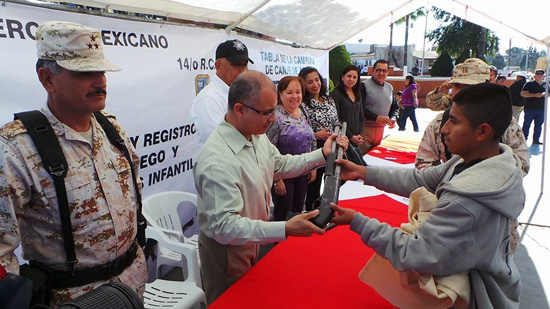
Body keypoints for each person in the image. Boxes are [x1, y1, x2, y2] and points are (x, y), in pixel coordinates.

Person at [331, 82, 524, 308]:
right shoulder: (485, 163)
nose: (443, 130)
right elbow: (420, 180)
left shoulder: (465, 201)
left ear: (482, 131)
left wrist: (357, 221)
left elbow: (415, 253)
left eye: (453, 121)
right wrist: (363, 172)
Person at [0, 21, 146, 307]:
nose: (100, 81)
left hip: (132, 288)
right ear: (47, 79)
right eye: (84, 72)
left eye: (101, 70)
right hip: (75, 300)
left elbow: (134, 195)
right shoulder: (16, 150)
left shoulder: (111, 130)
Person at [194, 70, 348, 304]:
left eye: (274, 110)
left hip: (252, 241)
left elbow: (279, 164)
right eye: (267, 112)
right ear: (239, 109)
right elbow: (224, 227)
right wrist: (284, 228)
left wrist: (322, 154)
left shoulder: (254, 134)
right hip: (228, 256)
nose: (274, 118)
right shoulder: (218, 161)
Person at [416, 58, 530, 176]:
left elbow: (522, 164)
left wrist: (484, 183)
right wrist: (449, 183)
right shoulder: (440, 123)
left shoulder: (504, 123)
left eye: (470, 87)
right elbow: (424, 164)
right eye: (457, 86)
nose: (461, 92)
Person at [266, 76, 315, 221]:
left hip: (302, 172)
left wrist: (313, 166)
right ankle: (280, 244)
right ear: (280, 94)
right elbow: (268, 149)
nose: (295, 96)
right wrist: (276, 179)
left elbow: (311, 138)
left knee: (298, 214)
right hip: (283, 175)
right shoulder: (275, 116)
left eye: (298, 92)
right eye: (289, 92)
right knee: (283, 217)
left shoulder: (303, 111)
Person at [190, 39, 253, 147]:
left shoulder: (241, 94)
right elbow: (223, 144)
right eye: (236, 64)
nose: (243, 70)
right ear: (218, 66)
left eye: (245, 65)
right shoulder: (208, 99)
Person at [298, 67, 339, 211]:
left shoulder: (329, 99)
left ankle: (326, 208)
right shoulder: (302, 104)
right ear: (303, 85)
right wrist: (316, 135)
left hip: (333, 146)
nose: (315, 84)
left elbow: (336, 121)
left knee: (332, 182)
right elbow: (300, 131)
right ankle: (312, 212)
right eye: (310, 82)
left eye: (317, 80)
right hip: (315, 148)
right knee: (314, 185)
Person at [359, 59, 399, 155]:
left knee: (376, 159)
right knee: (362, 160)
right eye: (378, 70)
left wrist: (393, 118)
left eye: (384, 71)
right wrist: (376, 117)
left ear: (388, 72)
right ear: (373, 71)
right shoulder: (363, 86)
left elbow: (395, 107)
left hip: (382, 130)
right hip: (365, 130)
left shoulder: (389, 87)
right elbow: (359, 108)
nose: (381, 73)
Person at [330, 65, 364, 151]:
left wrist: (359, 134)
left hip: (356, 138)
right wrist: (351, 136)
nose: (351, 79)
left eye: (354, 77)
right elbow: (337, 118)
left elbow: (361, 116)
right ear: (342, 77)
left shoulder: (357, 93)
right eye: (349, 76)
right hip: (343, 139)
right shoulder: (336, 94)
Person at [521, 69, 546, 145]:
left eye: (541, 74)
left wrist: (546, 94)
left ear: (543, 76)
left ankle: (536, 140)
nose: (539, 76)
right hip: (530, 108)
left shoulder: (546, 84)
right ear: (534, 75)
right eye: (537, 74)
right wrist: (534, 95)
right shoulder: (529, 84)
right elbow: (523, 93)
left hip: (541, 108)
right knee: (526, 124)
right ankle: (523, 140)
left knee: (539, 125)